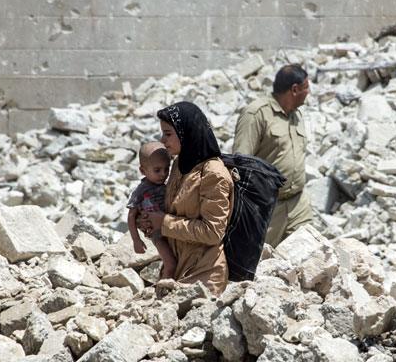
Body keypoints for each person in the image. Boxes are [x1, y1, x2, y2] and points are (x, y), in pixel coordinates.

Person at [138, 101, 233, 295]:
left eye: (168, 134)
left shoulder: (213, 174)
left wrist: (163, 222)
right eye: (162, 133)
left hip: (204, 276)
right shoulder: (179, 164)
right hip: (176, 267)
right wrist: (148, 219)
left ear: (186, 132)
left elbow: (213, 232)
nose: (163, 140)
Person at [233, 64, 315, 247]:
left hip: (297, 203)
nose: (309, 92)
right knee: (261, 264)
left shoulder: (296, 115)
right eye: (306, 87)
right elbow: (240, 163)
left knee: (308, 256)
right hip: (268, 208)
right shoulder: (256, 114)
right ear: (294, 89)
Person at [126, 141, 177, 279]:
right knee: (170, 263)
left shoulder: (167, 184)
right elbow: (131, 216)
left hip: (172, 227)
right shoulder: (141, 191)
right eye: (157, 170)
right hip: (157, 233)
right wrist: (136, 240)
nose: (163, 174)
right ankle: (164, 287)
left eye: (167, 169)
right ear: (143, 171)